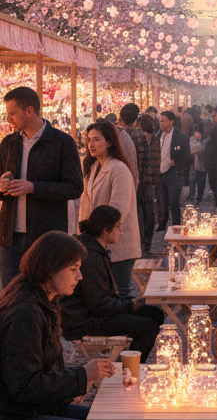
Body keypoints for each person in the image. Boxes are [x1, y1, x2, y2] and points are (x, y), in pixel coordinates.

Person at [0, 231, 115, 420]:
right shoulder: (25, 312)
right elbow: (24, 386)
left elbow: (44, 371)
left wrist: (76, 383)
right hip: (8, 413)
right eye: (73, 269)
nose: (80, 276)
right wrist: (82, 375)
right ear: (51, 268)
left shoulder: (44, 300)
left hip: (33, 408)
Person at [0, 87, 84, 289]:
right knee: (10, 294)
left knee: (46, 293)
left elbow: (74, 188)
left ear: (30, 111)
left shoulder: (62, 143)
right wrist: (1, 186)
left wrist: (33, 187)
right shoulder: (9, 143)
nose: (9, 119)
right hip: (10, 236)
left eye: (12, 113)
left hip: (45, 237)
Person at [60, 205, 165, 361]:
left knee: (154, 313)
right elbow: (99, 305)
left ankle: (124, 362)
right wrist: (131, 304)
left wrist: (131, 303)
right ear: (105, 230)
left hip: (93, 314)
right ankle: (126, 370)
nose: (121, 231)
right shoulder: (90, 256)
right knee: (148, 327)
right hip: (84, 321)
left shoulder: (94, 248)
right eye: (118, 226)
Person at [79, 121, 141, 300]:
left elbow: (118, 209)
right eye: (89, 140)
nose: (91, 144)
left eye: (96, 139)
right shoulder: (94, 167)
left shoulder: (119, 169)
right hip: (99, 243)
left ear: (109, 142)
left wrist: (95, 229)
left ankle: (128, 326)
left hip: (118, 243)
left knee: (121, 292)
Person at [121, 104, 157, 254]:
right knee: (144, 212)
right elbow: (142, 160)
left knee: (131, 213)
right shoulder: (139, 135)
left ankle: (133, 242)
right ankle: (144, 243)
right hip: (142, 179)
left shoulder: (119, 134)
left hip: (124, 178)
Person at [157, 110, 191, 229]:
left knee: (173, 201)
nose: (162, 124)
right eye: (160, 121)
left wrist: (177, 162)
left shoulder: (180, 137)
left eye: (165, 121)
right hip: (161, 173)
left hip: (174, 173)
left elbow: (188, 156)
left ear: (171, 121)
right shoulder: (158, 136)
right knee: (163, 201)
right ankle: (163, 223)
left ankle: (176, 225)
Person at [137, 113, 162, 246]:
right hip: (152, 179)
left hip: (141, 179)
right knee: (150, 209)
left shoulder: (139, 138)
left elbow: (140, 161)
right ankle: (148, 240)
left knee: (142, 210)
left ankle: (143, 240)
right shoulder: (156, 139)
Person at [190, 128, 207, 203]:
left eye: (198, 133)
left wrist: (196, 150)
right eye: (195, 133)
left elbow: (200, 149)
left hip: (202, 162)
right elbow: (191, 150)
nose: (197, 135)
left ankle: (199, 197)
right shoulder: (192, 139)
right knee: (192, 178)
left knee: (201, 180)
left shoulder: (205, 141)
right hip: (193, 161)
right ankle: (191, 194)